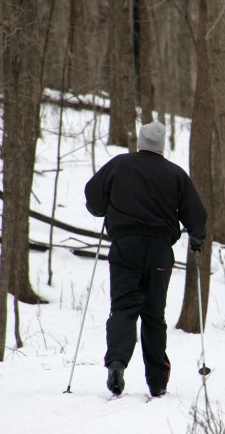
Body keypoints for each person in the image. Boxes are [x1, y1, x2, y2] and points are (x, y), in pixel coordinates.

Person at [84, 121, 207, 397]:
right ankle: (158, 381)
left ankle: (116, 363)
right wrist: (197, 238)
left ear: (140, 142)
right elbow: (196, 214)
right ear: (161, 146)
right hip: (159, 251)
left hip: (125, 246)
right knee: (153, 314)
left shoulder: (119, 164)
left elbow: (93, 196)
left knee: (123, 308)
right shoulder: (175, 174)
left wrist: (100, 208)